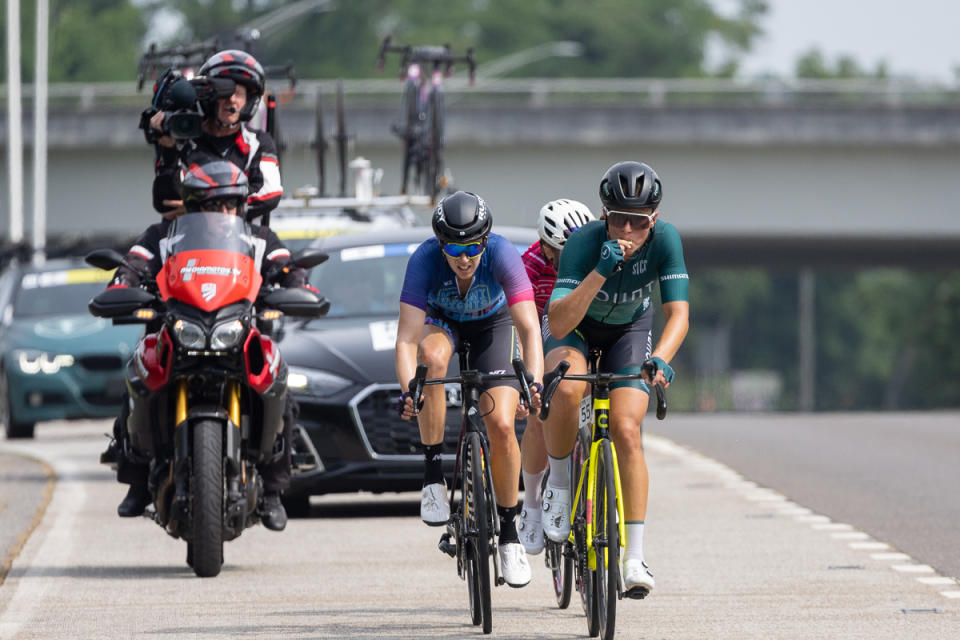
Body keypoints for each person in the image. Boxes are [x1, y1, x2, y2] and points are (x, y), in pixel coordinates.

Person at [107, 158, 312, 531]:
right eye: (213, 204)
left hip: (236, 330)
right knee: (137, 372)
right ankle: (136, 479)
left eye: (231, 204)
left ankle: (273, 492)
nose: (224, 212)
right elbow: (134, 264)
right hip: (177, 329)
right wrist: (123, 283)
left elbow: (286, 266)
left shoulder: (260, 239)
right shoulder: (163, 236)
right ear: (194, 206)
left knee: (278, 378)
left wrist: (299, 283)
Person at [540, 161, 689, 598]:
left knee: (626, 428)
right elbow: (561, 321)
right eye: (617, 218)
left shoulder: (666, 241)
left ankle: (635, 556)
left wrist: (660, 359)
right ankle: (562, 486)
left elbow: (678, 312)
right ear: (603, 214)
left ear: (653, 219)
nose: (626, 229)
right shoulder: (585, 242)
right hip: (578, 329)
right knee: (567, 388)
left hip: (630, 330)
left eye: (637, 221)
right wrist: (600, 270)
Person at [395, 191, 544, 588]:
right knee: (432, 357)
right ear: (441, 244)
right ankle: (432, 475)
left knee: (500, 423)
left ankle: (509, 532)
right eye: (455, 248)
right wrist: (411, 389)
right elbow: (407, 340)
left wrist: (533, 381)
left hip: (492, 327)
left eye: (473, 247)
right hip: (441, 323)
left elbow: (529, 329)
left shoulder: (502, 255)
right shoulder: (424, 260)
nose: (464, 258)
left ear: (486, 241)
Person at [516, 199, 595, 555]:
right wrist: (525, 381)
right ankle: (532, 506)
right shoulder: (528, 268)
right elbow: (521, 328)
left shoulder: (594, 256)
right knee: (539, 411)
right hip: (541, 331)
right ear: (546, 248)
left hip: (586, 333)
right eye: (562, 253)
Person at [149, 49, 282, 222]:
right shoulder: (183, 140)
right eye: (225, 93)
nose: (232, 100)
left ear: (249, 101)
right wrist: (167, 149)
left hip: (241, 244)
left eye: (239, 94)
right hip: (187, 241)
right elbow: (167, 203)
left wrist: (205, 207)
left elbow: (269, 193)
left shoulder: (259, 142)